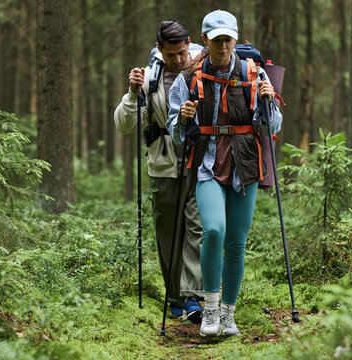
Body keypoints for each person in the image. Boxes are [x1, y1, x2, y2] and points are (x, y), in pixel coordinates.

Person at [166, 10, 283, 336]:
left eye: (227, 39)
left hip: (244, 165)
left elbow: (271, 128)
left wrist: (266, 101)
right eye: (216, 40)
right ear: (205, 40)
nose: (222, 46)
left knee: (236, 242)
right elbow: (175, 133)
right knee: (214, 230)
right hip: (206, 162)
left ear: (234, 38)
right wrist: (184, 119)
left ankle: (229, 315)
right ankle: (210, 311)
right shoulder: (188, 77)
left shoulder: (255, 74)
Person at [114, 21, 204, 322]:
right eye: (170, 55)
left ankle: (194, 298)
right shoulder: (150, 78)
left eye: (181, 53)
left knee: (197, 229)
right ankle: (175, 295)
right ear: (159, 50)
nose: (177, 61)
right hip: (163, 165)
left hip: (200, 163)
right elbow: (124, 125)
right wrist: (132, 93)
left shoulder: (203, 71)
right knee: (168, 236)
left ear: (189, 44)